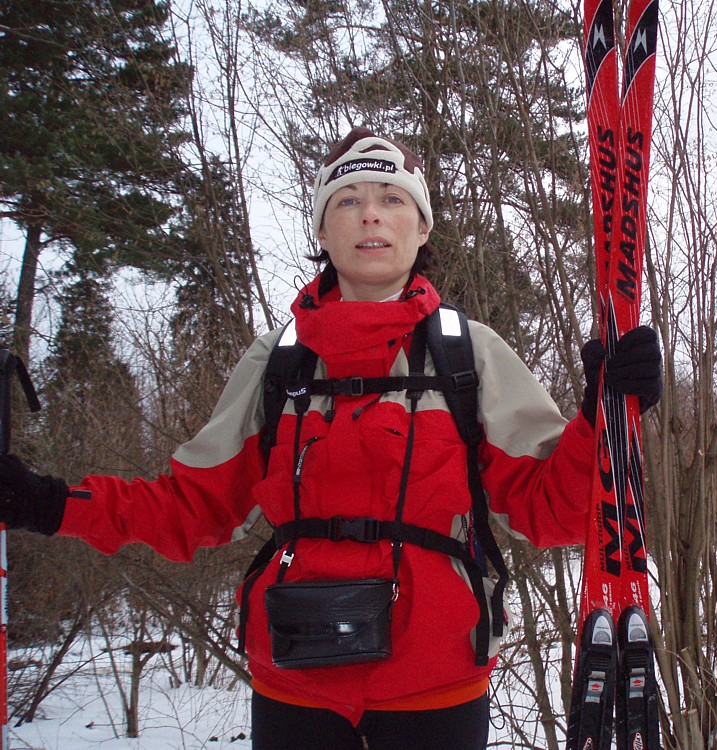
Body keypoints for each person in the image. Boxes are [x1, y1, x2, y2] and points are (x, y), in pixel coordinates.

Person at [0, 127, 662, 749]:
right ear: (321, 228)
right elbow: (192, 506)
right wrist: (52, 504)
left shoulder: (469, 355)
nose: (370, 215)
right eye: (347, 200)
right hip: (296, 682)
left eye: (392, 199)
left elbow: (555, 510)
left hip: (435, 685)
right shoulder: (277, 363)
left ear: (422, 226)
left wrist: (600, 417)